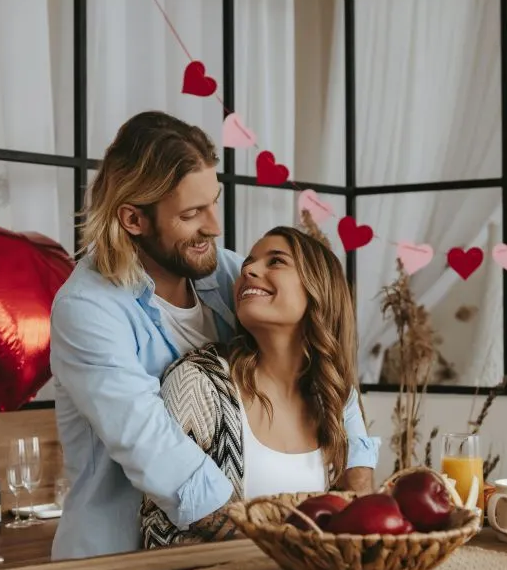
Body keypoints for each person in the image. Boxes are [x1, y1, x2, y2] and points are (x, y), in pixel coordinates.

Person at [48, 110, 378, 561]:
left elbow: (314, 349)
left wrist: (358, 491)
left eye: (213, 202)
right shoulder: (88, 310)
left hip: (223, 566)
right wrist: (293, 547)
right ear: (133, 219)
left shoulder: (223, 272)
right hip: (116, 561)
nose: (214, 226)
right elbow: (158, 454)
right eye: (191, 213)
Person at [141, 225, 375, 548]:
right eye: (248, 262)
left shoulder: (333, 397)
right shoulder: (199, 384)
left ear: (318, 289)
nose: (248, 269)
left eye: (276, 261)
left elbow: (355, 512)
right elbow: (157, 530)